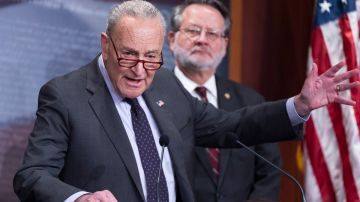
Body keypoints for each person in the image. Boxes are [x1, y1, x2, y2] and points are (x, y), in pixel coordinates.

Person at [13, 1, 359, 202]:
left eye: (151, 57)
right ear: (106, 45)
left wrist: (298, 105)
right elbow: (31, 175)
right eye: (129, 55)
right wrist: (79, 199)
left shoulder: (165, 85)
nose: (139, 70)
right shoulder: (66, 94)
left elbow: (230, 125)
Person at [168, 0, 281, 201]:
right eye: (193, 31)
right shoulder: (152, 100)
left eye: (212, 34)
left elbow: (269, 170)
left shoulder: (250, 100)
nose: (202, 40)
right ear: (171, 39)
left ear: (225, 44)